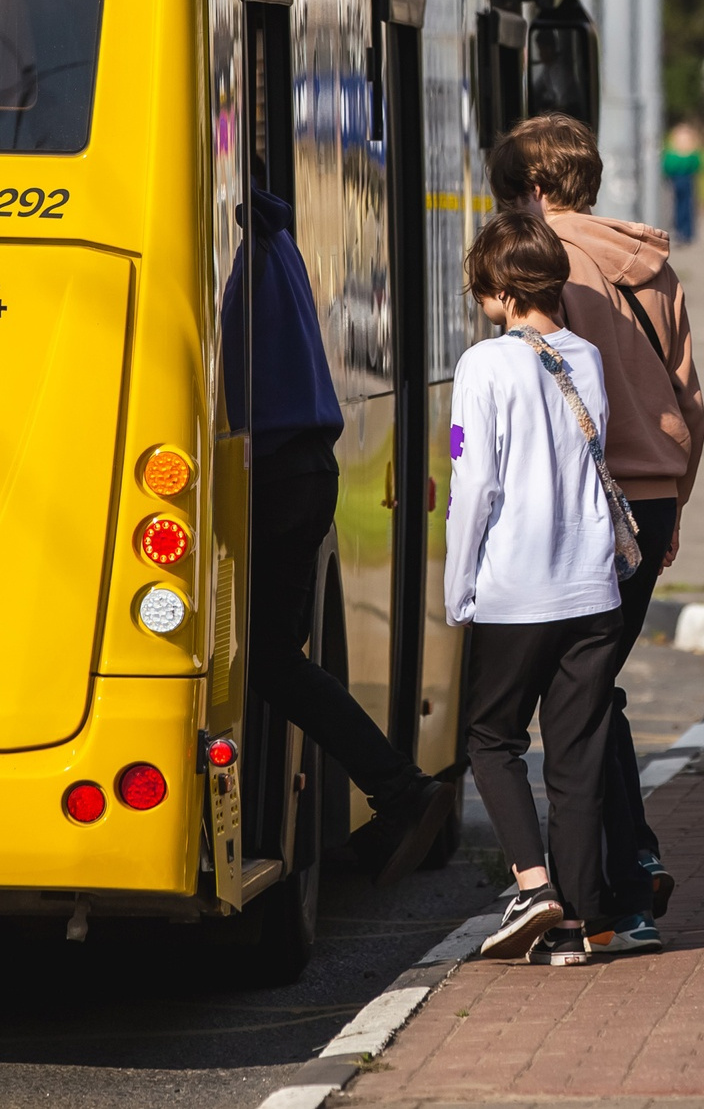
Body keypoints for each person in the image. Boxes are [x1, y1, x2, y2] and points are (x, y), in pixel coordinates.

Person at [490, 113, 704, 956]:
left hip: (585, 502)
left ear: (537, 190)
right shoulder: (651, 262)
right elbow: (688, 396)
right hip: (650, 501)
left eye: (513, 193)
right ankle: (630, 866)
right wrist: (675, 499)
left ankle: (614, 892)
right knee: (593, 689)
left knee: (575, 702)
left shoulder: (548, 267)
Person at [226, 185, 457, 885]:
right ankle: (396, 787)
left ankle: (399, 786)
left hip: (274, 472)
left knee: (268, 659)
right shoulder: (270, 237)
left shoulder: (237, 249)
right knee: (278, 657)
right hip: (301, 470)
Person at [447, 212, 633, 965]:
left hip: (515, 587)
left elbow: (475, 483)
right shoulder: (586, 356)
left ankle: (531, 884)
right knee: (578, 754)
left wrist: (460, 586)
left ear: (498, 288)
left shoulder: (484, 365)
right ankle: (583, 920)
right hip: (591, 589)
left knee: (491, 741)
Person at [662, 123, 704, 245]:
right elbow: (668, 167)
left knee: (684, 206)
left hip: (683, 181)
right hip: (680, 181)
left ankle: (685, 231)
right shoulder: (676, 154)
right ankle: (683, 231)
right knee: (681, 207)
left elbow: (695, 167)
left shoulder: (686, 155)